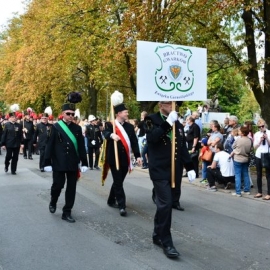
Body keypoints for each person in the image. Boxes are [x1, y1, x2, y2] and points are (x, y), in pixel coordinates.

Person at [144, 101, 196, 258]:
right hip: (159, 169)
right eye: (169, 103)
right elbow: (152, 138)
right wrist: (167, 123)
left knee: (164, 205)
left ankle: (157, 233)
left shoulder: (178, 124)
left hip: (174, 170)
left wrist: (190, 167)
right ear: (161, 105)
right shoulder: (150, 119)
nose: (173, 106)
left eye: (175, 104)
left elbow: (181, 147)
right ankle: (167, 242)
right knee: (166, 203)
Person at [44, 103, 88, 223]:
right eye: (68, 114)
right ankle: (53, 201)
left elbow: (81, 147)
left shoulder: (77, 128)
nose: (71, 116)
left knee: (71, 188)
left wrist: (84, 162)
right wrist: (47, 162)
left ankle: (67, 212)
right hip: (59, 162)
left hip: (73, 162)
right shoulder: (56, 127)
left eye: (73, 114)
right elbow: (50, 145)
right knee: (58, 185)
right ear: (63, 114)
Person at [102, 101, 142, 217]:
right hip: (114, 158)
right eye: (125, 112)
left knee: (118, 180)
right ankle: (122, 206)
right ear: (119, 113)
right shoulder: (110, 124)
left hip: (125, 158)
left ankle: (110, 200)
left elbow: (134, 142)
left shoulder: (129, 126)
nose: (127, 114)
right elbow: (105, 133)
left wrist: (138, 156)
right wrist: (111, 135)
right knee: (118, 182)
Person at [230, 126, 252, 197]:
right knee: (245, 174)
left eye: (239, 131)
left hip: (238, 158)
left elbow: (233, 146)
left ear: (242, 133)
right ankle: (247, 190)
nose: (238, 132)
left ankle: (238, 192)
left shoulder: (238, 140)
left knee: (238, 175)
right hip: (246, 158)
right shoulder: (249, 140)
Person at [253, 118, 270, 200]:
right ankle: (259, 192)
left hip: (267, 154)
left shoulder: (269, 133)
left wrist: (267, 138)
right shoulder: (256, 134)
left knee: (268, 175)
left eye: (262, 126)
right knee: (259, 174)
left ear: (265, 125)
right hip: (259, 155)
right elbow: (254, 147)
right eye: (259, 127)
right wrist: (260, 141)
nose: (261, 128)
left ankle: (269, 193)